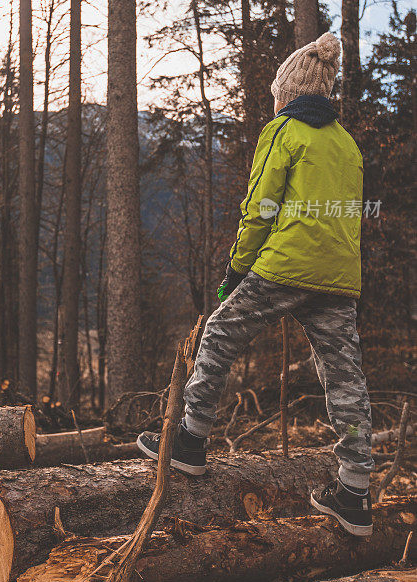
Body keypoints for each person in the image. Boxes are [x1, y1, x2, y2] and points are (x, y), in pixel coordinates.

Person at [137, 32, 374, 537]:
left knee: (221, 332)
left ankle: (191, 441)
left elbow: (260, 208)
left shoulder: (284, 131)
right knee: (345, 376)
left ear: (286, 94)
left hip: (284, 264)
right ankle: (354, 491)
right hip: (339, 277)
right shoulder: (346, 144)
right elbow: (348, 215)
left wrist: (237, 272)